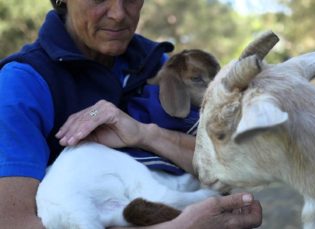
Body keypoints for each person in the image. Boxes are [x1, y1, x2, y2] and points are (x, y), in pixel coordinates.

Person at [0, 0, 263, 228]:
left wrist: (145, 134)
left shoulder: (155, 65)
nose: (119, 13)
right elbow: (14, 223)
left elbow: (225, 164)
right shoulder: (20, 86)